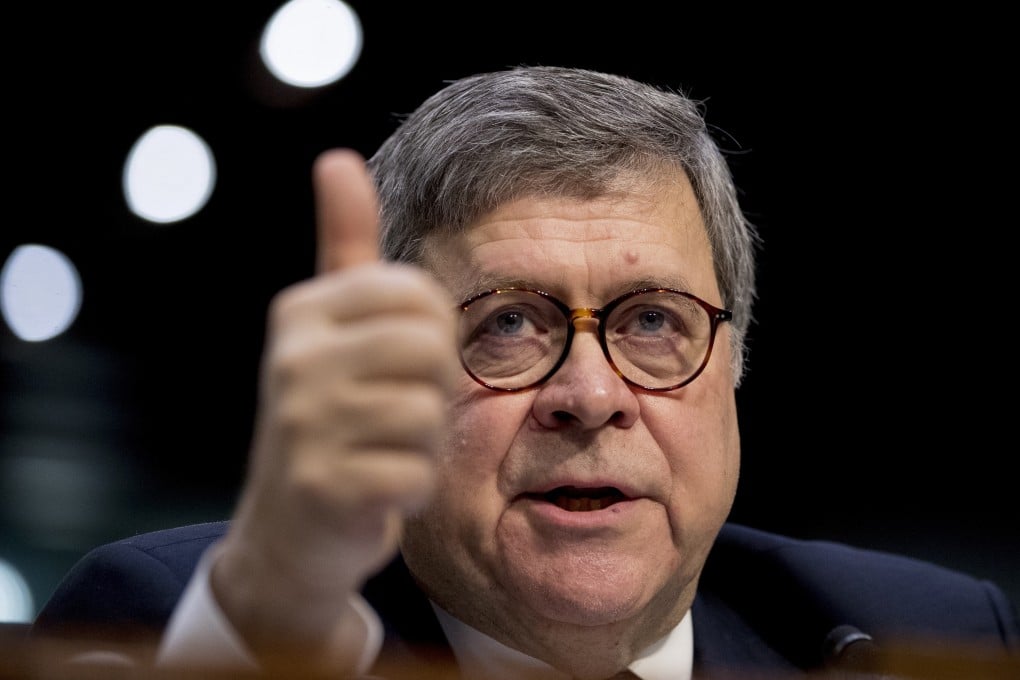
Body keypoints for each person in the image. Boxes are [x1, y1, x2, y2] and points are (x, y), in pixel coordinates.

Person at [28, 65, 1019, 679]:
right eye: (507, 323)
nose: (590, 396)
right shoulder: (176, 617)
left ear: (735, 365)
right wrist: (273, 612)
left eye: (654, 323)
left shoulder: (931, 636)